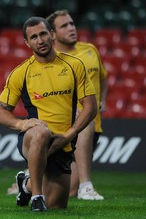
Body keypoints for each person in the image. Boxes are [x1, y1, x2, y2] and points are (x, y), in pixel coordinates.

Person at [0, 17, 97, 212]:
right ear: (27, 43)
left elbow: (90, 107)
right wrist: (22, 125)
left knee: (58, 206)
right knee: (41, 132)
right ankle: (36, 198)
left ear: (51, 34)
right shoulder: (21, 72)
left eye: (43, 34)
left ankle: (26, 185)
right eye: (33, 37)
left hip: (63, 142)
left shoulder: (75, 65)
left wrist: (70, 134)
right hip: (33, 137)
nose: (39, 40)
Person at [46, 10, 108, 200]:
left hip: (93, 128)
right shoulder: (51, 60)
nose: (71, 28)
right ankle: (86, 186)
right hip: (65, 128)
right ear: (53, 34)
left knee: (67, 192)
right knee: (59, 192)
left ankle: (30, 179)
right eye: (64, 26)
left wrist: (102, 100)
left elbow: (103, 77)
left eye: (72, 24)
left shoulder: (90, 49)